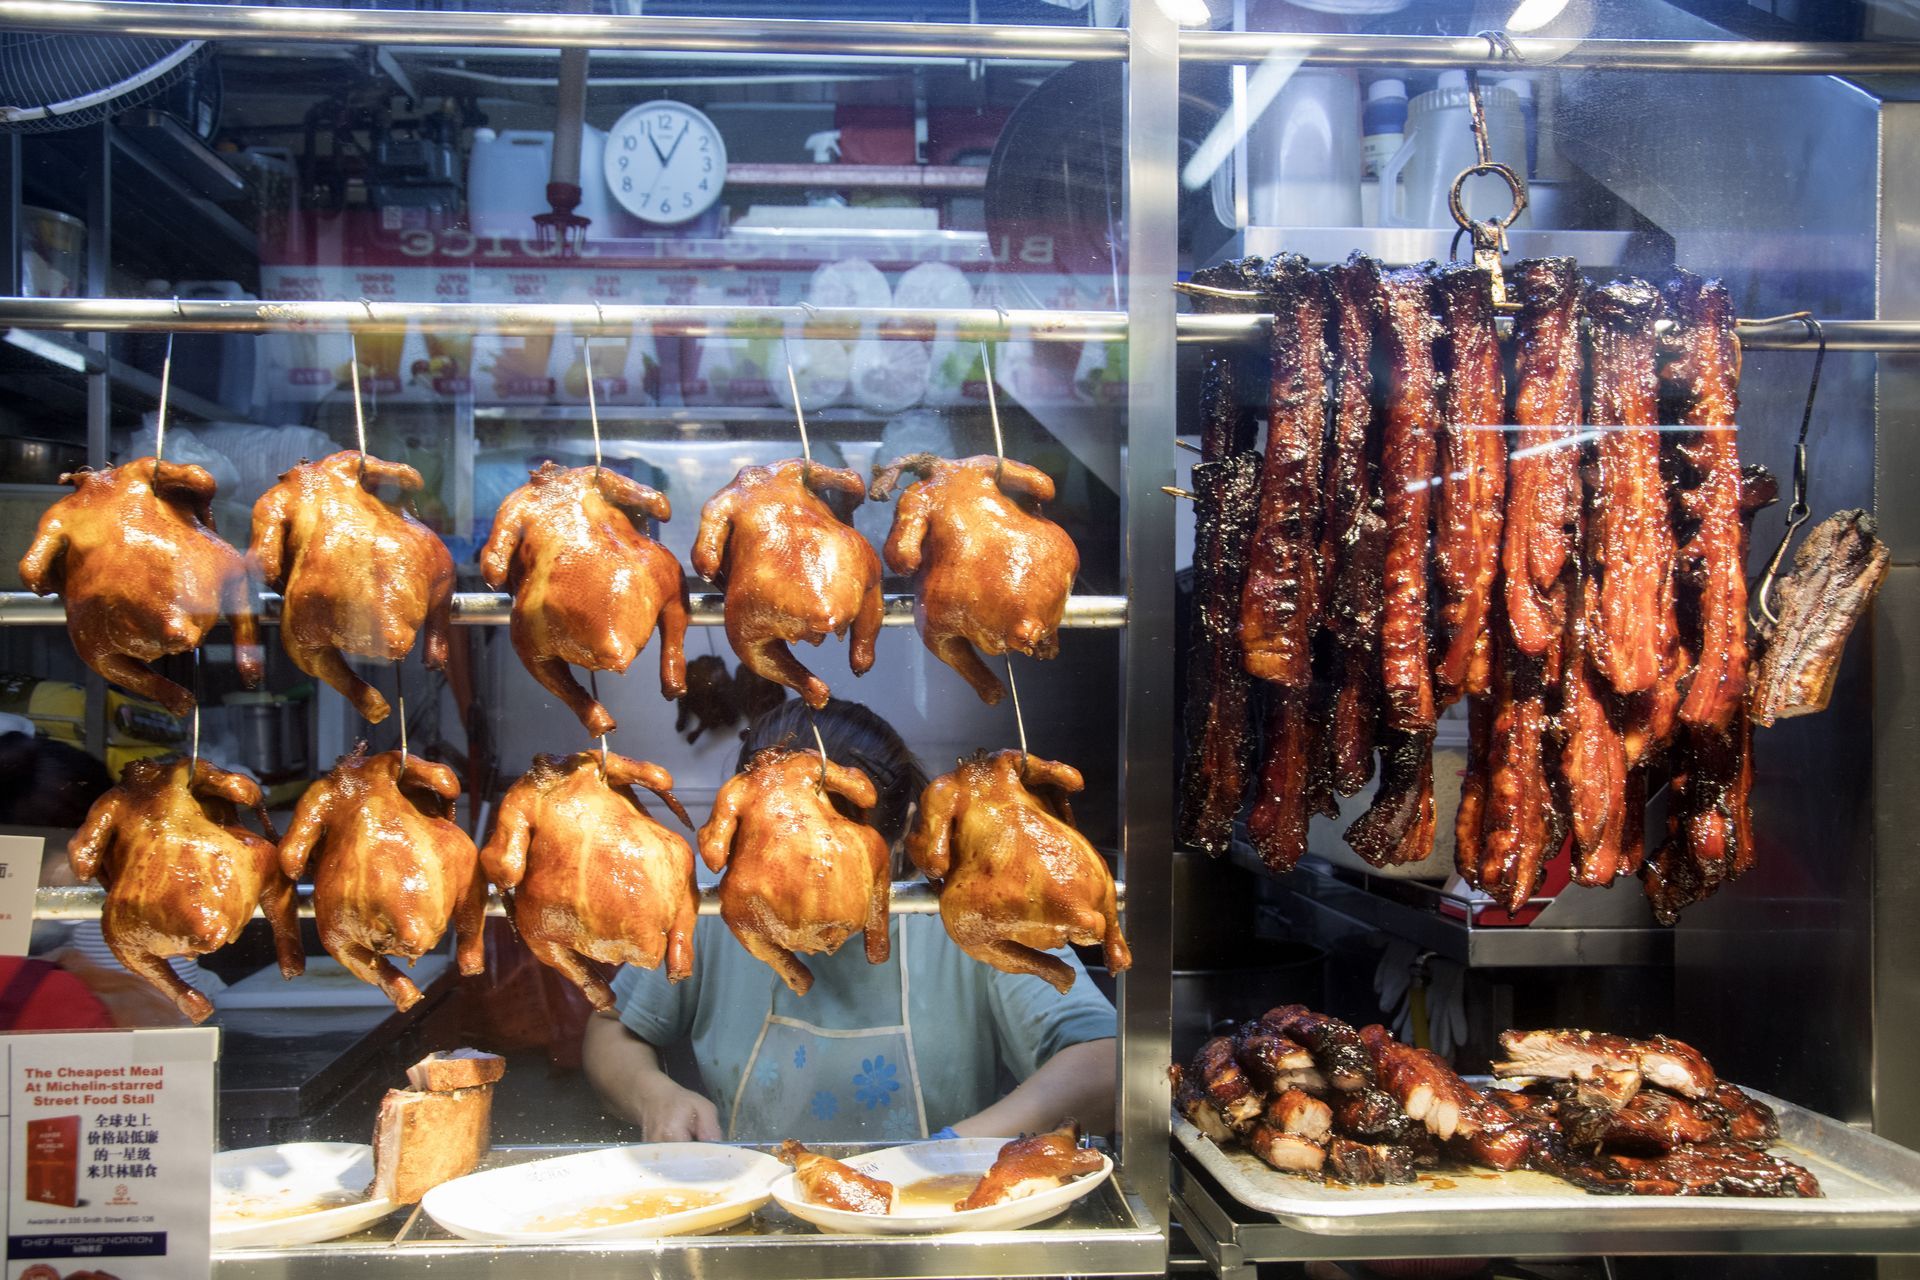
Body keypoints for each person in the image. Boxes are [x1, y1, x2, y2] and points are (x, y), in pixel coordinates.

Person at [584, 698, 1118, 1143]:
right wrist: (655, 1097)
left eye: (839, 869)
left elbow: (1104, 1064)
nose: (805, 900)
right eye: (774, 860)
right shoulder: (714, 896)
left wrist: (959, 1150)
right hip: (750, 1216)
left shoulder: (970, 902)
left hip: (933, 1218)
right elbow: (612, 1031)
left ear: (901, 839)